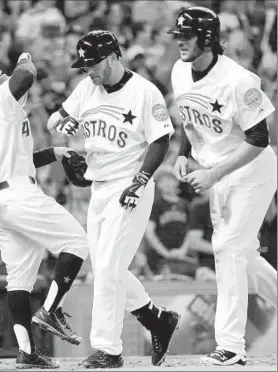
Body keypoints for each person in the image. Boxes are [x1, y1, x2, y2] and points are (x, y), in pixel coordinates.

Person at [47, 30, 180, 368]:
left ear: (112, 56)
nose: (88, 71)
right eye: (84, 66)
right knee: (106, 268)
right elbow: (58, 119)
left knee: (108, 268)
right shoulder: (86, 88)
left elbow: (161, 140)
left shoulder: (144, 91)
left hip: (130, 184)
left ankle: (109, 350)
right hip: (98, 186)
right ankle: (156, 319)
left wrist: (140, 180)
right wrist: (63, 126)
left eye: (92, 64)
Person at [0, 54, 90, 369]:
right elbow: (26, 74)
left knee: (19, 280)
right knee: (77, 243)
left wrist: (56, 152)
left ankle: (26, 352)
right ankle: (50, 310)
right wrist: (24, 58)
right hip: (18, 195)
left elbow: (21, 159)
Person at [168, 6, 277, 366]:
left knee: (227, 248)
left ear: (208, 39)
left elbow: (259, 138)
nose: (180, 41)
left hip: (252, 170)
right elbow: (189, 119)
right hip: (219, 170)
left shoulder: (239, 80)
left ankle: (231, 345)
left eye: (187, 36)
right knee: (243, 257)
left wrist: (214, 174)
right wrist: (184, 153)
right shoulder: (180, 72)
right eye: (178, 35)